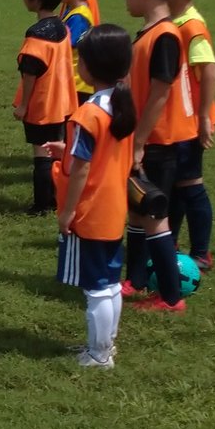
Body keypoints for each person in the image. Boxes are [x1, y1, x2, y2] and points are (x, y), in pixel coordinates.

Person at [54, 26, 137, 369]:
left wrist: (68, 211)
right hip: (115, 207)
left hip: (91, 211)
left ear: (88, 67)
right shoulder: (122, 104)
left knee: (95, 287)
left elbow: (82, 169)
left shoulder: (89, 112)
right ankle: (106, 346)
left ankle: (98, 354)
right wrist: (67, 148)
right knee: (111, 283)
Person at [120, 0, 193, 314]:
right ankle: (133, 280)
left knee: (154, 217)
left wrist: (139, 141)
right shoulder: (150, 33)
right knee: (137, 211)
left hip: (159, 142)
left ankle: (170, 297)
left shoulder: (165, 35)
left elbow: (161, 92)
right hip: (148, 140)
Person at [168, 0, 215, 272]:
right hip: (178, 121)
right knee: (175, 185)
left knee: (191, 185)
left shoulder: (191, 26)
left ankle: (202, 251)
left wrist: (202, 117)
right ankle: (168, 242)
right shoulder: (175, 22)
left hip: (190, 121)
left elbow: (208, 69)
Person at [15, 0, 77, 215]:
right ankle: (59, 194)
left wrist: (23, 105)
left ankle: (43, 204)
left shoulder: (36, 36)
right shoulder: (62, 28)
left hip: (42, 104)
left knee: (42, 154)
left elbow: (30, 73)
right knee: (57, 151)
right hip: (63, 102)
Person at [60, 0, 98, 96]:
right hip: (73, 84)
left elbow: (65, 47)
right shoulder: (72, 12)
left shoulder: (79, 17)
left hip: (76, 86)